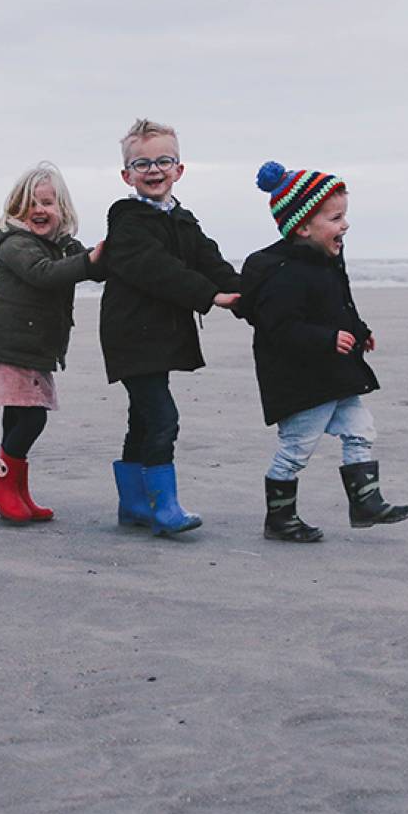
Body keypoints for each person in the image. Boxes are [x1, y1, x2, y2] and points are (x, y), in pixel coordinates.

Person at [236, 160, 408, 542]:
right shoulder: (281, 272)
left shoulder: (329, 259)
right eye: (335, 218)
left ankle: (366, 502)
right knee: (296, 450)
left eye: (344, 216)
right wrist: (326, 339)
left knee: (361, 430)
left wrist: (359, 331)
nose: (344, 225)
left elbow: (339, 306)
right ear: (302, 226)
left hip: (335, 374)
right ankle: (280, 519)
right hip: (300, 381)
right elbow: (279, 328)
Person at [99, 119, 240, 537]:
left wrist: (244, 294)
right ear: (127, 175)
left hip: (158, 337)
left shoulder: (183, 220)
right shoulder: (126, 222)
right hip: (131, 337)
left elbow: (209, 261)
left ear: (179, 169)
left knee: (141, 421)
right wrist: (208, 295)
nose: (154, 170)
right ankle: (164, 506)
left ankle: (134, 505)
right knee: (163, 418)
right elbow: (157, 270)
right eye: (142, 163)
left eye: (164, 160)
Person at [0, 162, 103, 523]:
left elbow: (86, 263)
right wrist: (88, 260)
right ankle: (1, 487)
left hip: (31, 347)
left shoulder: (58, 245)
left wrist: (100, 257)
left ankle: (15, 490)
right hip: (10, 345)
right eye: (31, 203)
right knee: (31, 418)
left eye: (48, 203)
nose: (39, 210)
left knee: (17, 416)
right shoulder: (15, 243)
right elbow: (43, 275)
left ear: (62, 210)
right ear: (16, 209)